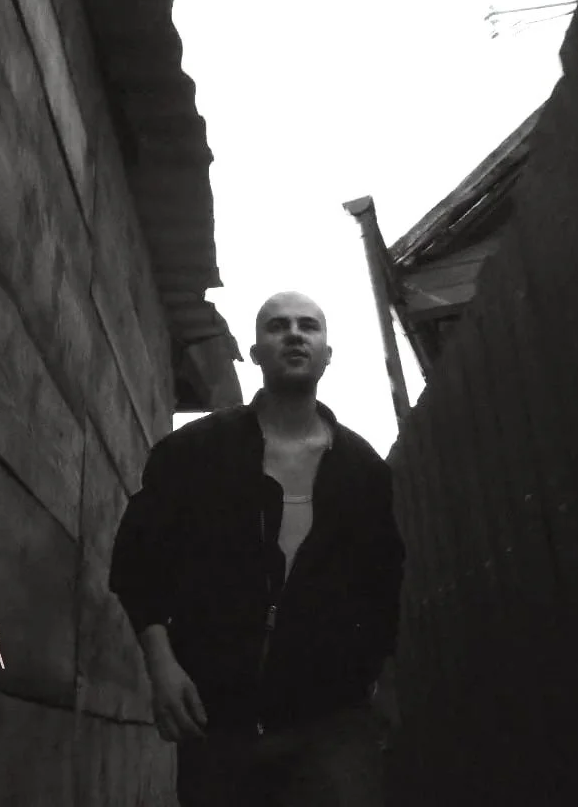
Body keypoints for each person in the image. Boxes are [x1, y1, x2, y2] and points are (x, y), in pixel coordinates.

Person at [109, 290, 406, 806]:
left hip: (333, 720)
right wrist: (162, 665)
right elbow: (139, 560)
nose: (294, 333)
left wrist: (384, 685)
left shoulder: (363, 469)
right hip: (220, 717)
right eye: (278, 326)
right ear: (255, 352)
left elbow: (383, 584)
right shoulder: (195, 451)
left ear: (327, 354)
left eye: (309, 326)